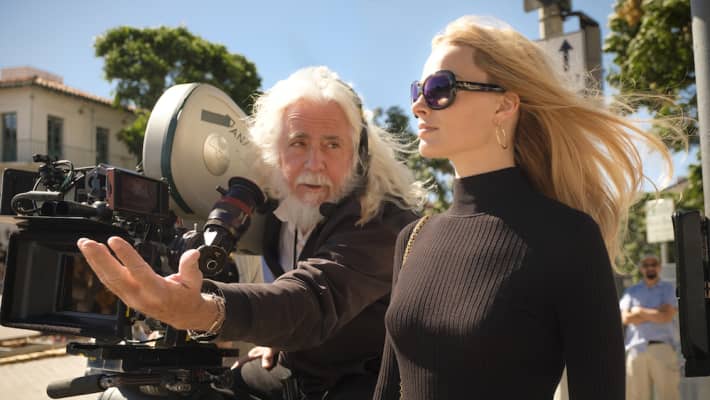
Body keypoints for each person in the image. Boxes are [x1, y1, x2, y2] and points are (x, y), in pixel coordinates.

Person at [373, 16, 674, 400]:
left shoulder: (569, 237)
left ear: (504, 105)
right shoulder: (412, 239)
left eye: (439, 89)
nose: (418, 105)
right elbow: (387, 390)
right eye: (418, 89)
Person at [78, 66, 424, 399]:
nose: (314, 163)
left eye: (332, 145)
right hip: (301, 368)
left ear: (358, 155)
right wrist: (278, 337)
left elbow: (312, 300)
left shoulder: (382, 219)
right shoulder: (278, 208)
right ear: (272, 152)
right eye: (299, 143)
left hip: (372, 382)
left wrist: (201, 310)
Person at [620, 254, 680, 400]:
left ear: (659, 267)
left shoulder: (668, 289)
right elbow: (625, 318)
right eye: (646, 265)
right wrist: (657, 311)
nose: (650, 267)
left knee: (669, 396)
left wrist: (639, 311)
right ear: (641, 269)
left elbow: (666, 316)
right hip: (636, 350)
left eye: (653, 264)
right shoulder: (631, 291)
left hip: (662, 348)